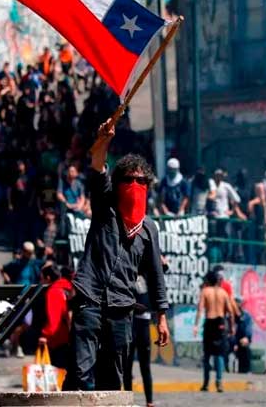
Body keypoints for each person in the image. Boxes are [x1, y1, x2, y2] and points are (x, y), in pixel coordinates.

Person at [65, 118, 169, 391]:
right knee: (80, 372)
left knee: (112, 378)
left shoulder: (148, 229)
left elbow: (155, 275)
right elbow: (97, 166)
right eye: (127, 180)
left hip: (122, 306)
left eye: (140, 180)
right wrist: (104, 140)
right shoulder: (105, 207)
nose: (134, 184)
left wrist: (161, 317)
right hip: (90, 297)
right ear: (117, 182)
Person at [194, 271, 233, 392]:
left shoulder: (205, 291)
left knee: (207, 354)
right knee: (219, 354)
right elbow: (230, 311)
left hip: (210, 322)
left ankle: (206, 383)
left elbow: (200, 309)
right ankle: (219, 382)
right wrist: (232, 327)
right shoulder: (223, 293)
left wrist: (196, 325)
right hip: (220, 323)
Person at [123, 275, 154, 407]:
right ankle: (129, 400)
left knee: (145, 366)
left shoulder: (149, 277)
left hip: (143, 324)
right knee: (127, 366)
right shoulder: (128, 275)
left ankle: (149, 401)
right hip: (130, 323)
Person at [37, 264, 72, 368]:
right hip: (72, 336)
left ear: (48, 278)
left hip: (59, 339)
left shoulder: (53, 291)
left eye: (42, 278)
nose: (41, 281)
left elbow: (54, 319)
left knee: (58, 371)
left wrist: (45, 336)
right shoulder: (68, 287)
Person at [232, 296, 253, 374]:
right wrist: (234, 342)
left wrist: (246, 337)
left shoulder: (246, 316)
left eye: (238, 302)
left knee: (245, 347)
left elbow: (248, 328)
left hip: (241, 338)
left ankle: (246, 370)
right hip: (231, 339)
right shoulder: (229, 315)